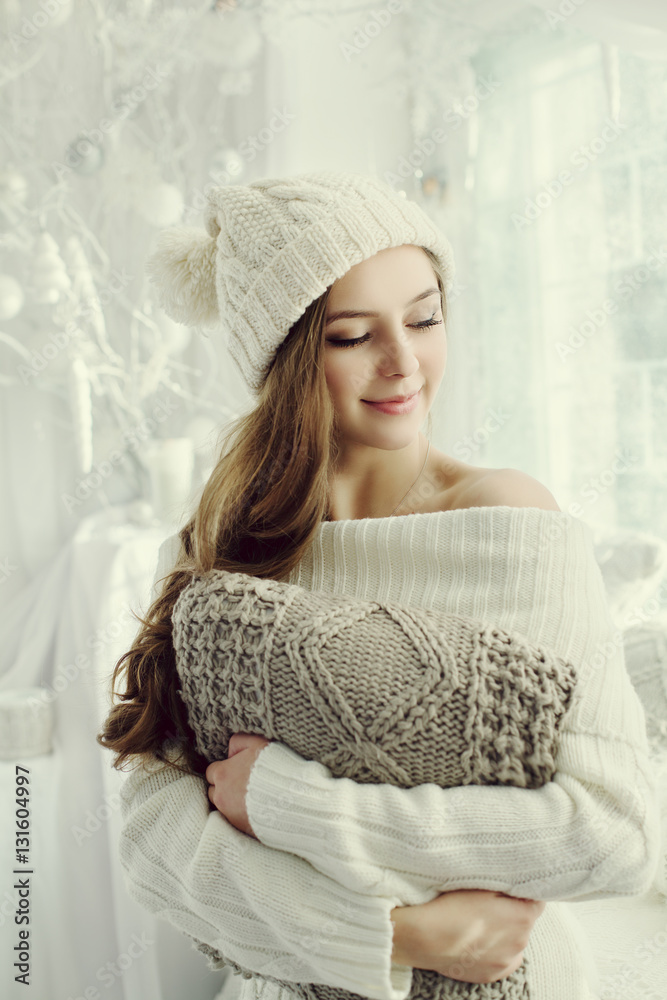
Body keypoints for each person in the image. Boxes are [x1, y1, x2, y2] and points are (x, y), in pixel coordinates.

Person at [98, 171, 660, 1000]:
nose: (404, 363)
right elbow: (155, 843)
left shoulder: (507, 523)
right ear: (285, 360)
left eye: (425, 318)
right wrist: (390, 935)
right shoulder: (213, 549)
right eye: (352, 336)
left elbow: (612, 832)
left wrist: (291, 805)